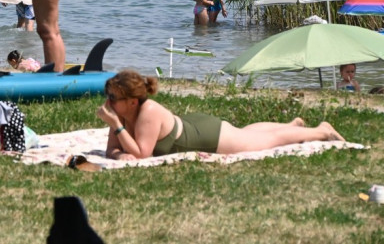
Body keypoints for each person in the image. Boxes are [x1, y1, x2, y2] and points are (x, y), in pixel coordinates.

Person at [97, 69, 345, 159]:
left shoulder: (147, 111)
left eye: (113, 98)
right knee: (245, 134)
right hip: (193, 127)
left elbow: (141, 154)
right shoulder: (120, 113)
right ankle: (292, 125)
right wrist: (118, 155)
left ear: (131, 102)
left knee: (261, 143)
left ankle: (322, 130)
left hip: (206, 134)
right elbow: (112, 149)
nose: (108, 102)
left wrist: (117, 127)